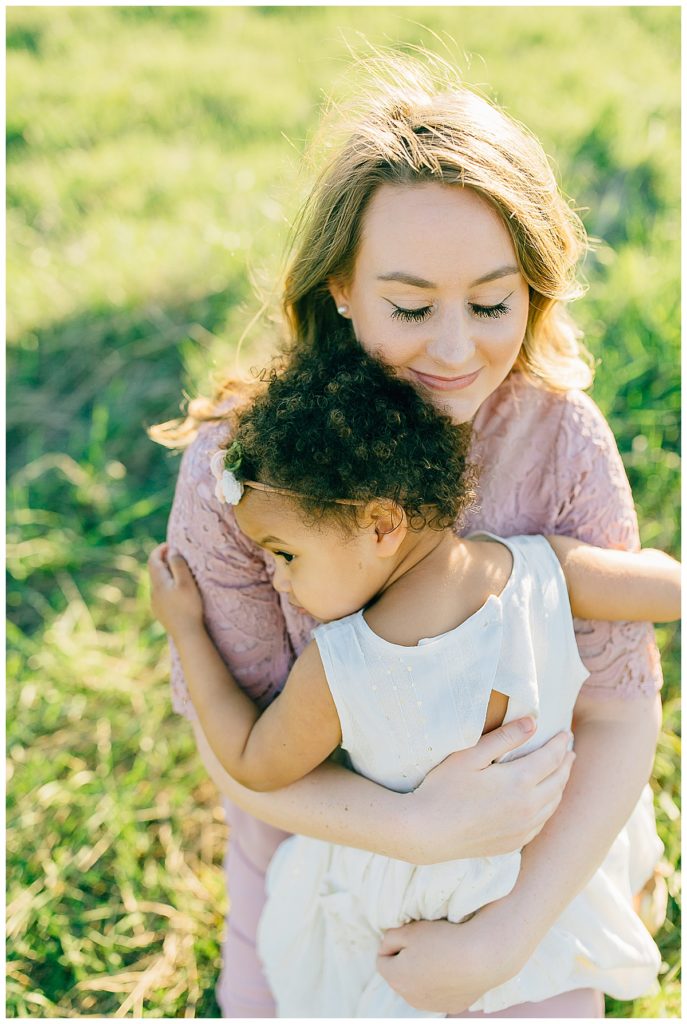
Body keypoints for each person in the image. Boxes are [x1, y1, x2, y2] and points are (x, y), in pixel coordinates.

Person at [151, 54, 669, 1017]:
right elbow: (244, 746)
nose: (452, 347)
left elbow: (617, 709)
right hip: (319, 830)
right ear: (340, 287)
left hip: (535, 838)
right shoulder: (246, 466)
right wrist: (416, 828)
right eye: (408, 304)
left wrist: (504, 936)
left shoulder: (557, 435)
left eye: (489, 303)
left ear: (533, 290)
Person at [148, 339, 679, 1016]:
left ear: (379, 526)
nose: (278, 578)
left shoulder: (343, 667)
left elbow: (253, 760)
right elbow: (667, 588)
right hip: (543, 882)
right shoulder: (544, 568)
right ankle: (632, 893)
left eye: (285, 554)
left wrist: (186, 630)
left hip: (407, 919)